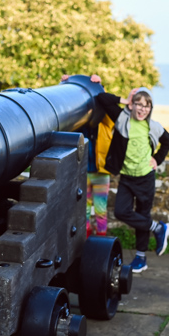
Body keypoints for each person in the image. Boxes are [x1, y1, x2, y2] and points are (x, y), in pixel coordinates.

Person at [92, 75, 169, 273]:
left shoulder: (153, 126)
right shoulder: (120, 118)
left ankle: (141, 258)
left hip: (145, 177)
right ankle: (158, 228)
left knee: (142, 215)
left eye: (146, 106)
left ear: (150, 108)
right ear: (132, 105)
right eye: (138, 104)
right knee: (121, 211)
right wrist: (123, 100)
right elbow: (102, 99)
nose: (142, 109)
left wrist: (157, 159)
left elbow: (168, 140)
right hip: (127, 178)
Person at [61, 74, 113, 237]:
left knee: (100, 210)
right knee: (84, 211)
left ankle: (101, 241)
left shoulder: (105, 123)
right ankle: (86, 241)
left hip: (100, 174)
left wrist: (100, 88)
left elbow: (109, 105)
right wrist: (65, 84)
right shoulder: (78, 124)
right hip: (83, 173)